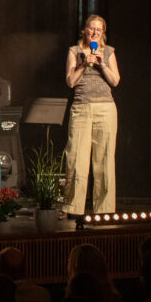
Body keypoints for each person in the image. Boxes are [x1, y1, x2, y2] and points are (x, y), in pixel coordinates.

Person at [63, 14, 121, 216]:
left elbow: (115, 81)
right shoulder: (75, 51)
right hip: (81, 108)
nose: (95, 32)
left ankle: (104, 210)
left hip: (106, 108)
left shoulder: (108, 52)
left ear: (103, 32)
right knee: (76, 159)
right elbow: (70, 82)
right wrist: (83, 64)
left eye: (99, 29)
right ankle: (73, 208)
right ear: (85, 30)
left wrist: (101, 64)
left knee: (104, 160)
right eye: (92, 28)